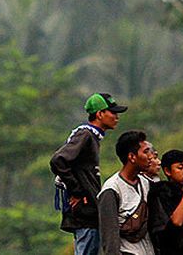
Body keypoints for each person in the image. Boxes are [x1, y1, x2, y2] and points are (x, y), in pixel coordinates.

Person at [50, 93, 127, 255]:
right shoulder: (85, 135)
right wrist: (77, 190)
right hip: (85, 211)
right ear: (100, 114)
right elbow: (59, 160)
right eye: (112, 112)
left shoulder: (93, 137)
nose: (116, 117)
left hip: (91, 210)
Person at [98, 130, 157, 255]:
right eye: (145, 152)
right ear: (132, 157)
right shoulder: (112, 189)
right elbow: (110, 237)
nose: (150, 156)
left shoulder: (147, 183)